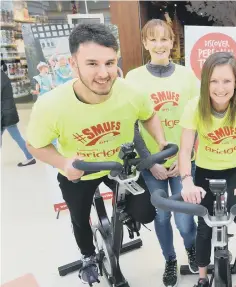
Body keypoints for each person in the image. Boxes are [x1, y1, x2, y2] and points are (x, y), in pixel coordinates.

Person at [25, 23, 167, 286]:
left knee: (146, 213)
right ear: (73, 63)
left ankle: (122, 216)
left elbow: (149, 115)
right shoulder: (51, 105)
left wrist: (160, 140)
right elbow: (35, 145)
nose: (104, 74)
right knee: (79, 218)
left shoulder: (130, 92)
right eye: (92, 64)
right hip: (79, 169)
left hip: (119, 168)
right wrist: (63, 162)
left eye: (110, 63)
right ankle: (88, 256)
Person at [178, 52, 236, 287]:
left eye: (227, 81)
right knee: (205, 224)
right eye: (214, 81)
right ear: (205, 81)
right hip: (207, 168)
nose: (220, 88)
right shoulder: (194, 106)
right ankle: (203, 278)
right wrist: (186, 181)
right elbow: (185, 150)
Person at [125, 19, 200, 287]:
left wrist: (184, 160)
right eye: (153, 39)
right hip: (151, 164)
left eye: (164, 39)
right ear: (145, 43)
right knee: (161, 215)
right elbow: (131, 125)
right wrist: (149, 162)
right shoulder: (132, 78)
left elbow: (197, 119)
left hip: (183, 160)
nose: (159, 44)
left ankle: (191, 249)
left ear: (172, 43)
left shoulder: (187, 76)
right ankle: (169, 259)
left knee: (184, 217)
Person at [1, 67, 36, 167]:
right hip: (7, 112)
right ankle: (30, 156)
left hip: (5, 113)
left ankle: (30, 157)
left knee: (17, 137)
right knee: (17, 136)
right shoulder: (3, 76)